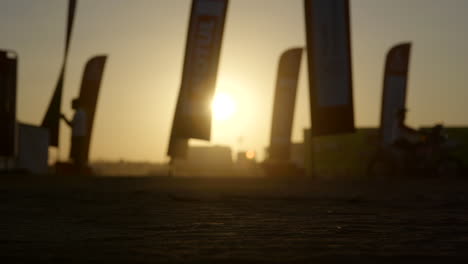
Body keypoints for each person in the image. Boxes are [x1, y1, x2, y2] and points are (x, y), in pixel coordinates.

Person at [61, 98, 87, 171]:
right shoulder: (83, 112)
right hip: (81, 136)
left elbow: (71, 124)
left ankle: (78, 171)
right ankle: (79, 170)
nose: (71, 106)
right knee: (78, 154)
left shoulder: (78, 113)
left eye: (72, 104)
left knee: (76, 155)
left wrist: (64, 118)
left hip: (77, 136)